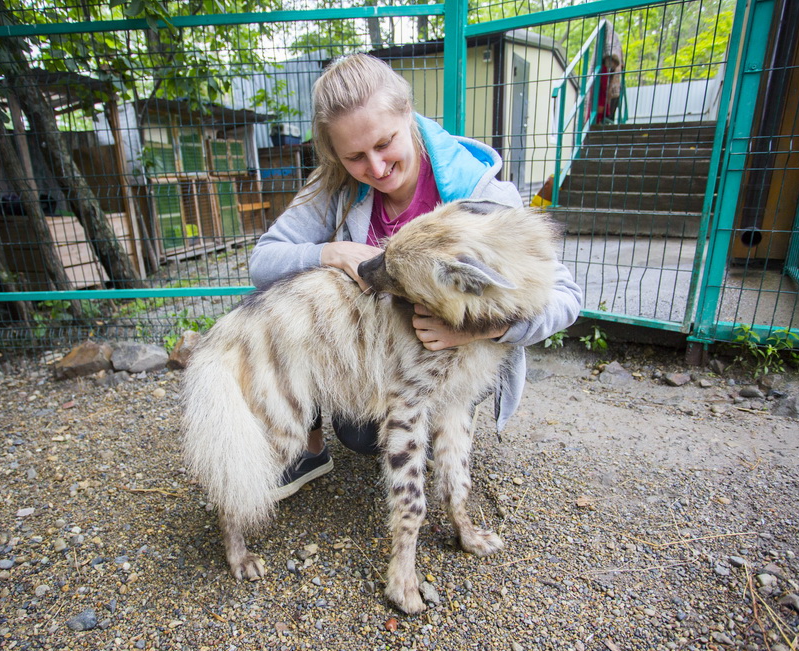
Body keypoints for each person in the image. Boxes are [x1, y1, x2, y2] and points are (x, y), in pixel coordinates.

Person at [248, 53, 583, 500]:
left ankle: (449, 415)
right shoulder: (333, 184)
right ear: (336, 154)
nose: (377, 167)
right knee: (357, 428)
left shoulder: (479, 192)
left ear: (408, 113)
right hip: (375, 349)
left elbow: (564, 297)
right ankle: (308, 449)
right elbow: (263, 262)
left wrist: (481, 326)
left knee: (389, 427)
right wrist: (330, 251)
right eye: (355, 156)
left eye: (385, 143)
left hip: (448, 354)